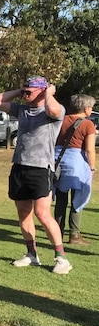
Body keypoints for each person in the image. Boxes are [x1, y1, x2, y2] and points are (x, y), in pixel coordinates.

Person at [0, 76, 68, 274]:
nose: (25, 95)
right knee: (23, 212)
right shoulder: (22, 109)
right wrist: (21, 91)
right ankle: (31, 254)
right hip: (20, 166)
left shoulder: (53, 110)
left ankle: (61, 258)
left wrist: (48, 93)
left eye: (29, 92)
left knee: (42, 214)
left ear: (42, 91)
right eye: (24, 91)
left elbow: (54, 110)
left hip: (41, 168)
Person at [53, 94, 96, 246]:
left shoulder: (61, 120)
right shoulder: (87, 124)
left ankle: (57, 231)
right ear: (85, 108)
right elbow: (90, 149)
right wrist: (92, 167)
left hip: (58, 161)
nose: (92, 109)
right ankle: (74, 234)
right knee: (78, 199)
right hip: (77, 163)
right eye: (91, 106)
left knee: (60, 199)